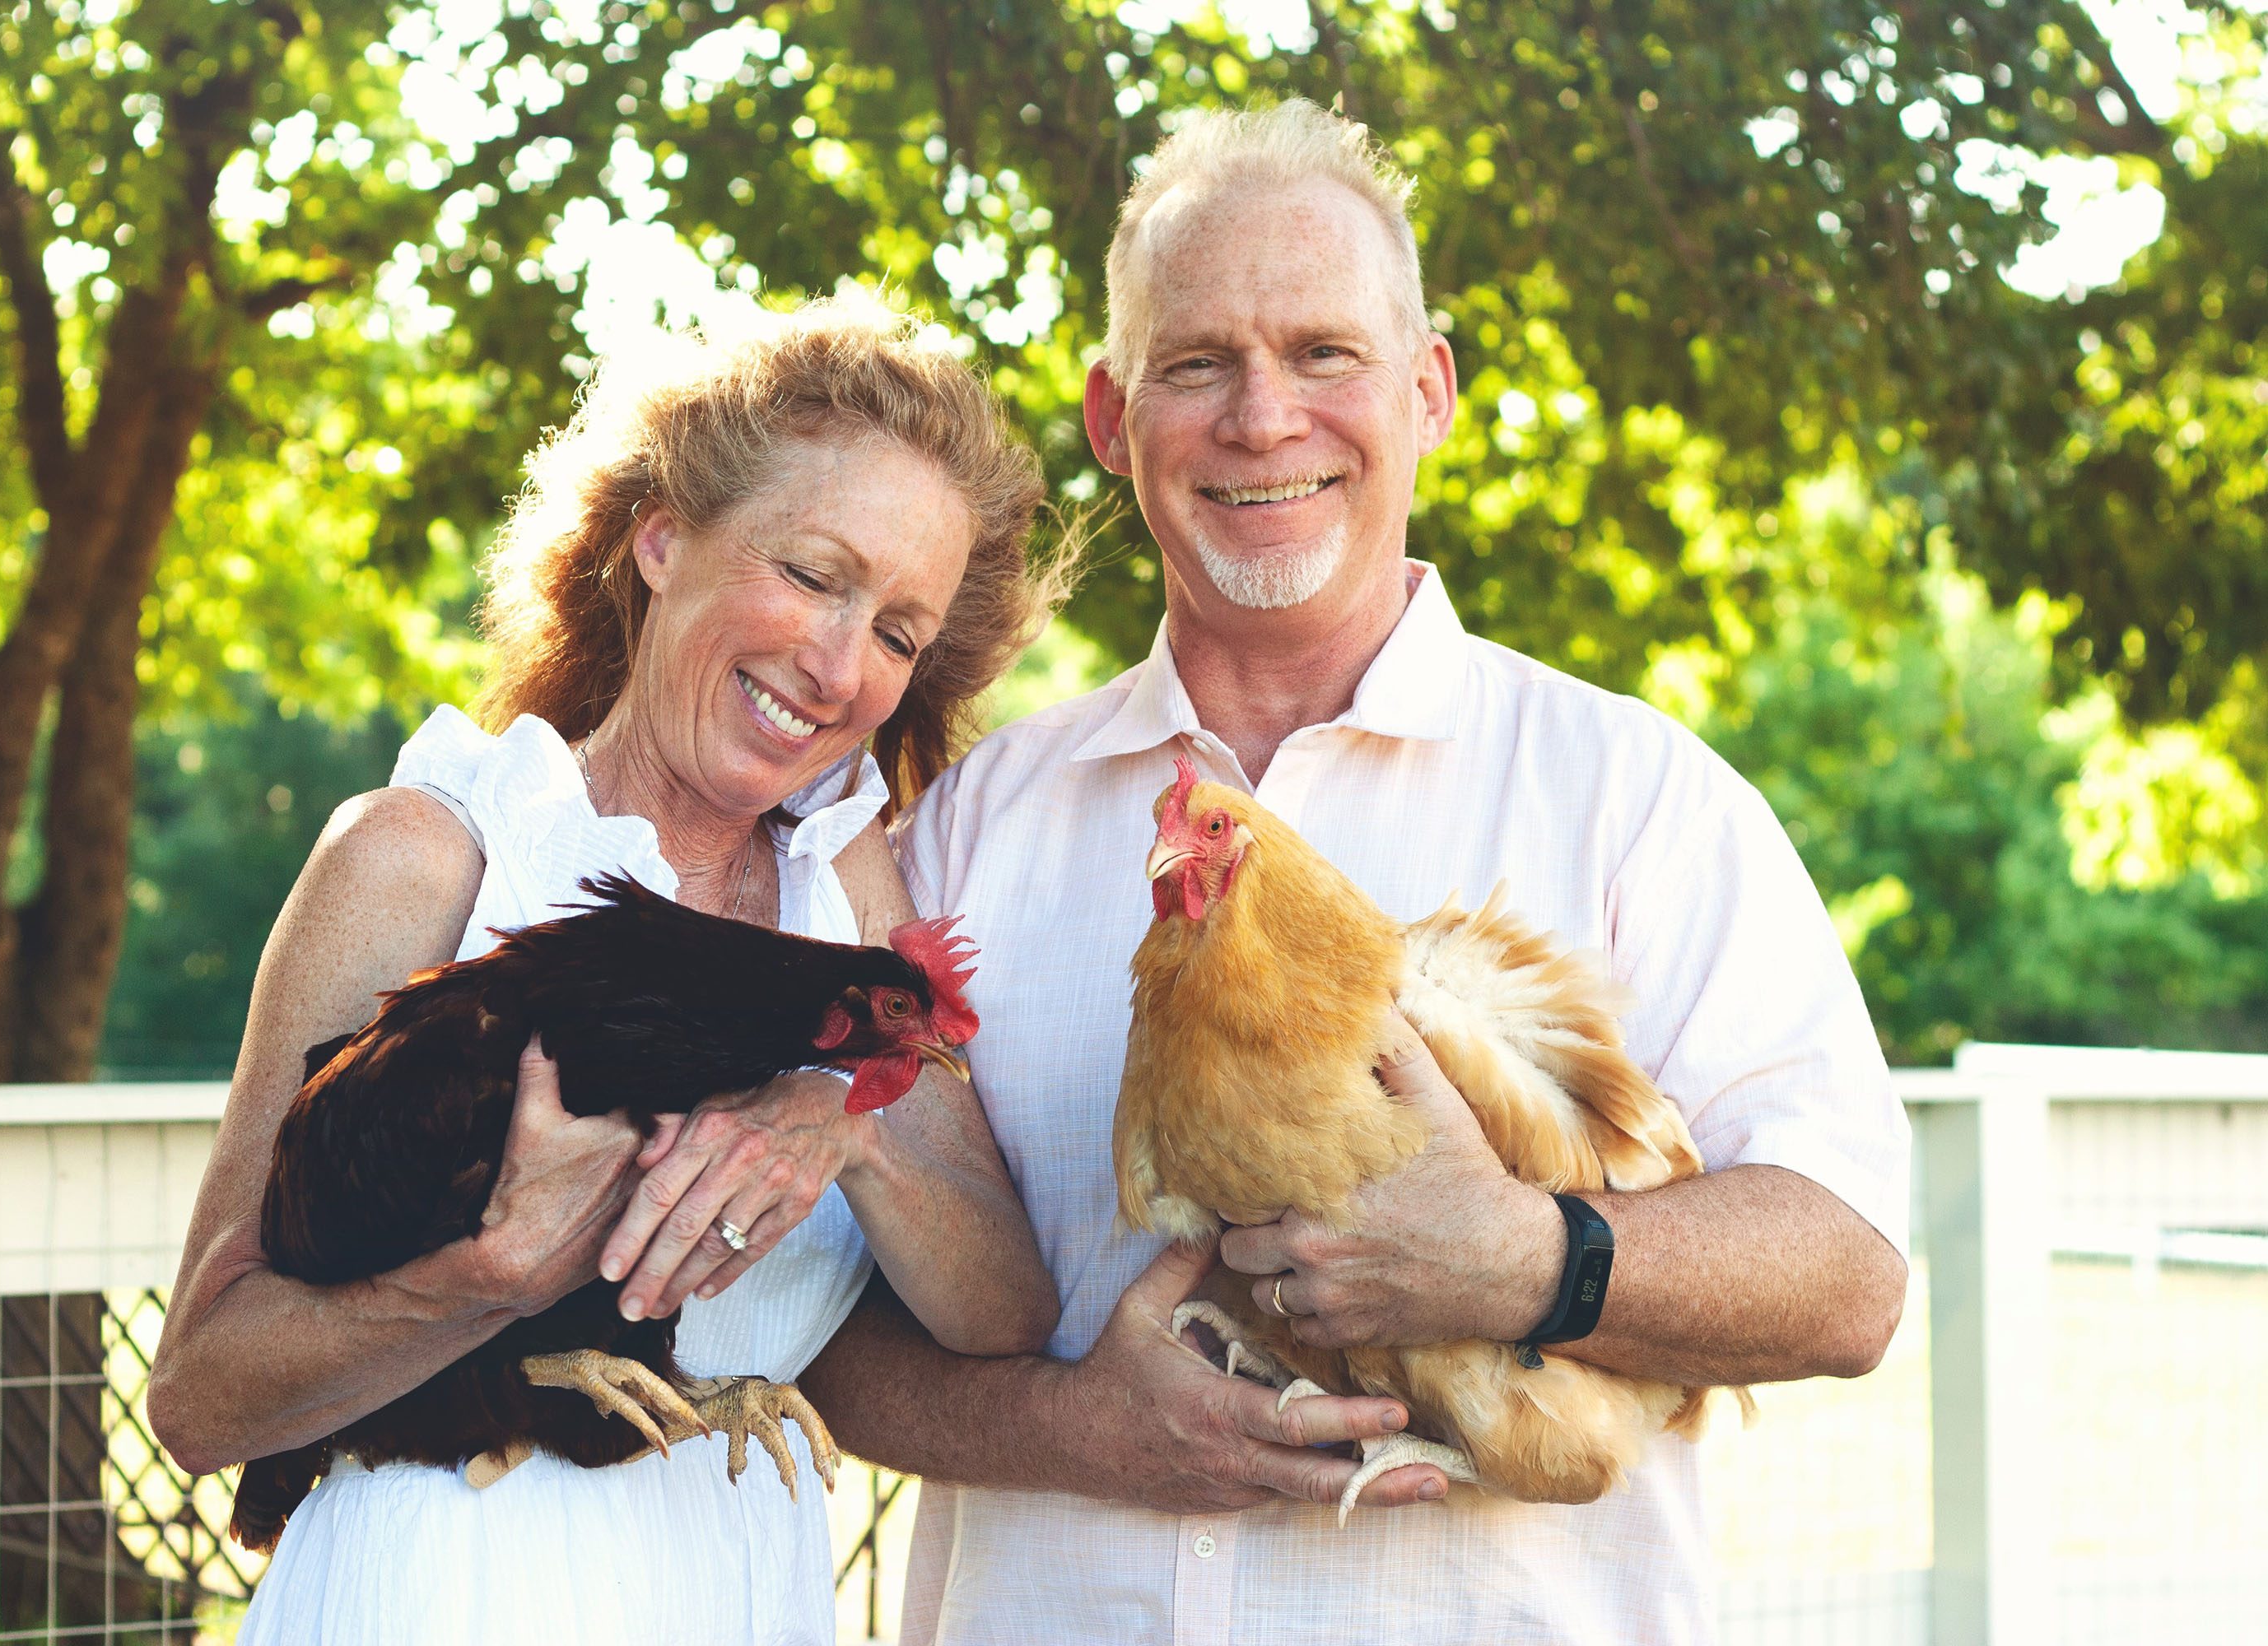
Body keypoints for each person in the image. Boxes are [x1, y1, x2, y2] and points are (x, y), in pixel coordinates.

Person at [799, 101, 1913, 1644]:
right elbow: (820, 1314)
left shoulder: (1637, 799)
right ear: (1115, 421)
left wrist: (1531, 1257)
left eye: (1324, 353)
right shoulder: (968, 828)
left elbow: (1849, 1273)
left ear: (1429, 391)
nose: (1263, 419)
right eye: (1199, 366)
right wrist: (1070, 1432)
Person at [147, 301, 1070, 1645]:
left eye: (897, 633)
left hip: (737, 1589)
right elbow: (195, 1396)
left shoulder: (844, 892)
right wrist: (484, 1278)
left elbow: (1007, 1313)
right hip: (446, 1591)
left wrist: (838, 1125)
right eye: (816, 576)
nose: (838, 665)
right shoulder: (433, 859)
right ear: (661, 539)